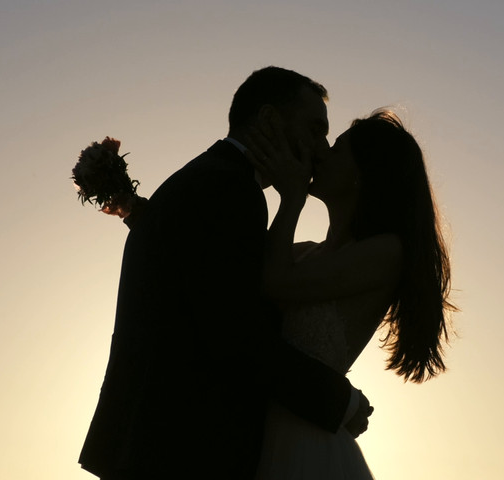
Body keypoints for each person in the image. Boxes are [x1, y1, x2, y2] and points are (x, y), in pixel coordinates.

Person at [77, 66, 371, 480]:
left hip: (149, 446)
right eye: (314, 129)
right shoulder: (231, 191)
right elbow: (235, 334)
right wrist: (339, 401)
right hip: (181, 451)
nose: (320, 148)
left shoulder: (204, 178)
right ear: (269, 120)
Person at [243, 109, 454, 478]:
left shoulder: (385, 252)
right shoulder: (307, 253)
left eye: (337, 148)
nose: (321, 152)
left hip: (304, 448)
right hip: (259, 434)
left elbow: (275, 283)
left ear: (364, 173)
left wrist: (291, 199)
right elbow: (234, 268)